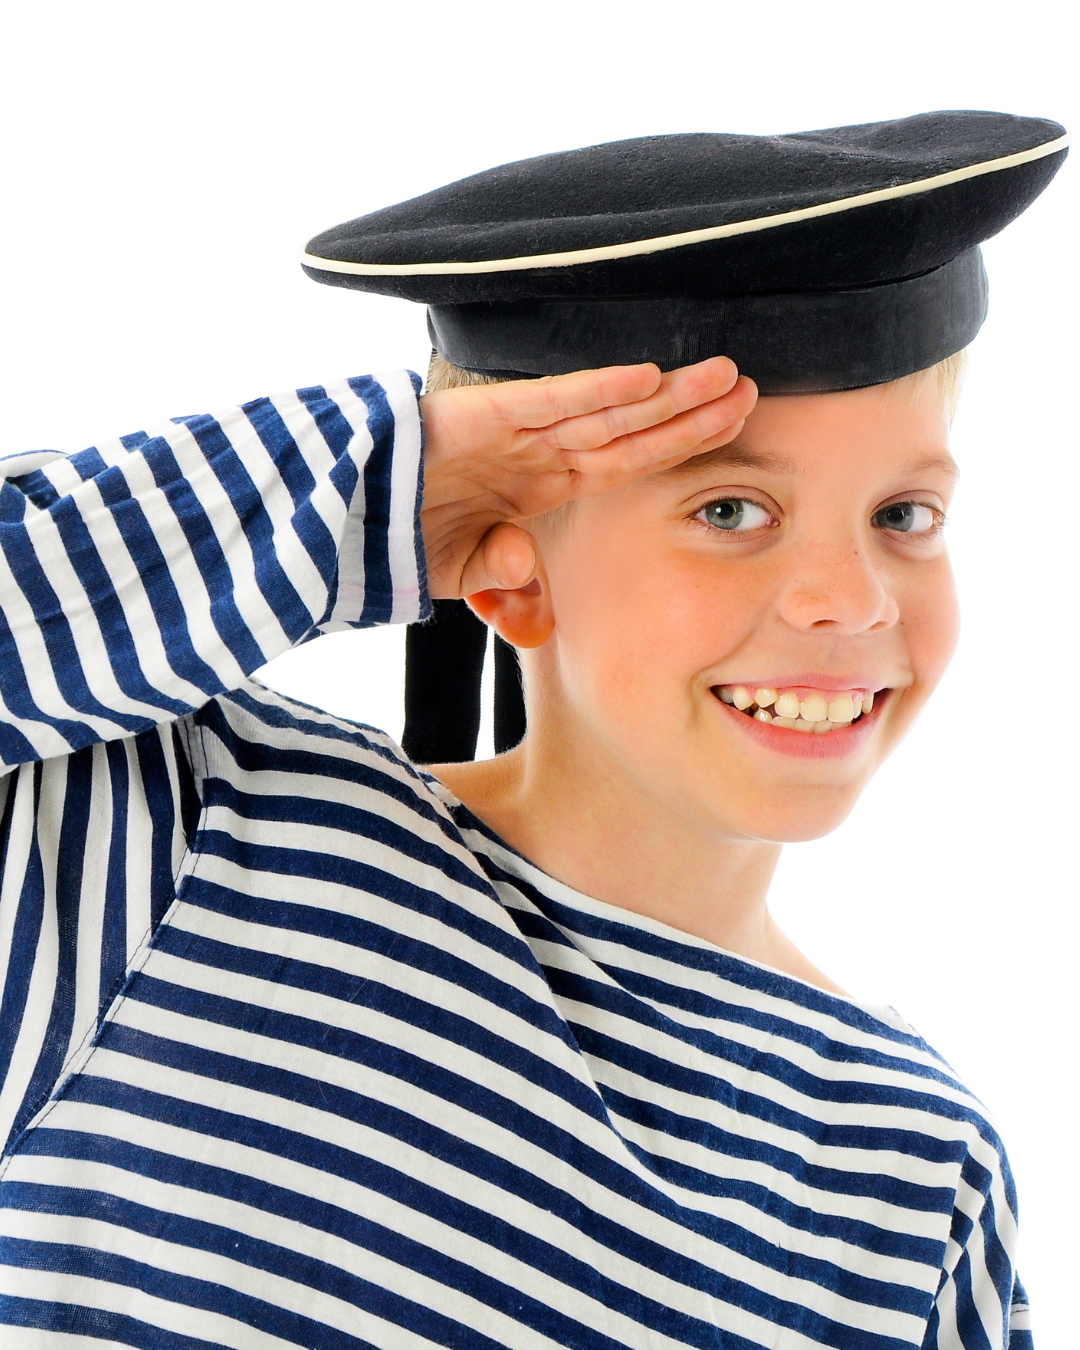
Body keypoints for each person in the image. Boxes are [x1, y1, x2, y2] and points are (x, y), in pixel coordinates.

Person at [0, 110, 1066, 1348]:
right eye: (731, 509)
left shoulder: (908, 1174)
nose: (854, 600)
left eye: (905, 515)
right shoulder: (178, 850)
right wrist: (382, 487)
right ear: (504, 573)